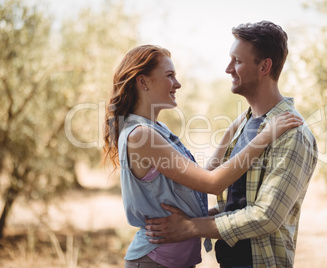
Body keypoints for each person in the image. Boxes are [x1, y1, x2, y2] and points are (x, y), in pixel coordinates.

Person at [103, 44, 303, 268]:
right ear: (143, 82)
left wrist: (235, 128)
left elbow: (200, 178)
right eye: (170, 76)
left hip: (170, 261)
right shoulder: (142, 135)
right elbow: (213, 184)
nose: (177, 84)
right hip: (154, 260)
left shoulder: (155, 129)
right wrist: (265, 136)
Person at [144, 21, 318, 268]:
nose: (228, 69)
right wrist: (193, 219)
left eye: (237, 61)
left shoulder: (292, 132)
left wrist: (191, 227)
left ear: (264, 66)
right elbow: (235, 203)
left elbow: (265, 216)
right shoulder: (246, 124)